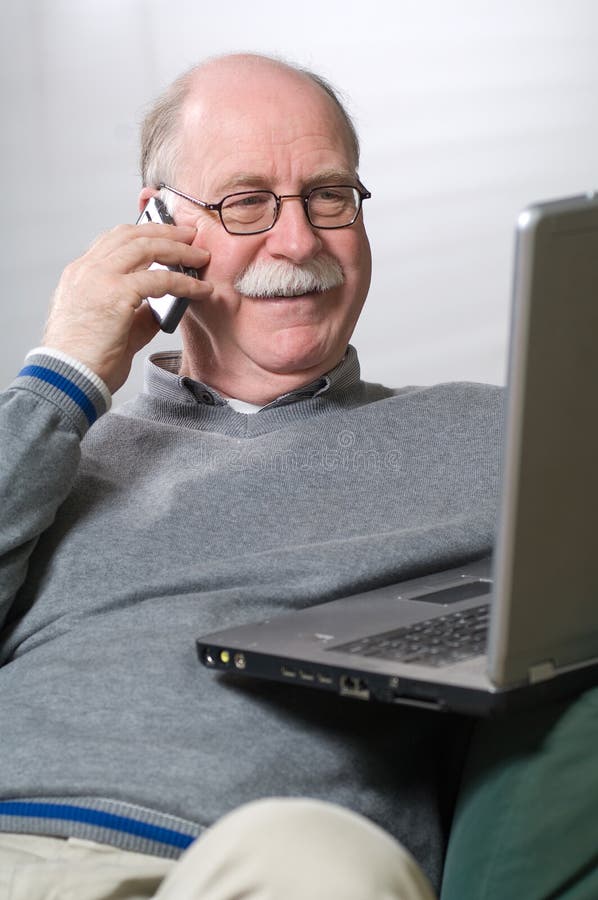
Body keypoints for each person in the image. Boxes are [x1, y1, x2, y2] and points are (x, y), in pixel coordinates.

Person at [0, 53, 503, 898]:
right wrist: (61, 376)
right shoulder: (56, 447)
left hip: (251, 867)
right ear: (156, 226)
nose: (300, 241)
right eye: (246, 203)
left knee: (318, 854)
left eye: (328, 195)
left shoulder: (490, 435)